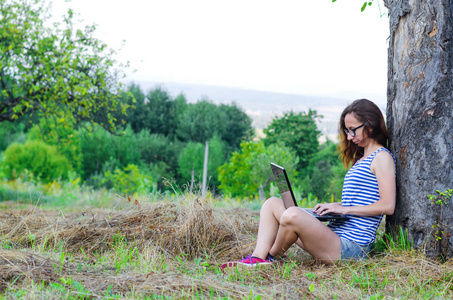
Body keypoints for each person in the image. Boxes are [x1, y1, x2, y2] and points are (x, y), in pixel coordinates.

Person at [221, 99, 396, 271]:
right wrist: (335, 206)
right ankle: (257, 257)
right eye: (346, 130)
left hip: (350, 248)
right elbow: (361, 201)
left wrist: (345, 210)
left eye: (353, 130)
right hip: (334, 236)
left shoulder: (382, 157)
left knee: (293, 215)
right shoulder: (362, 159)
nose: (349, 137)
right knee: (272, 204)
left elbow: (387, 206)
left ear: (370, 125)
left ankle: (272, 258)